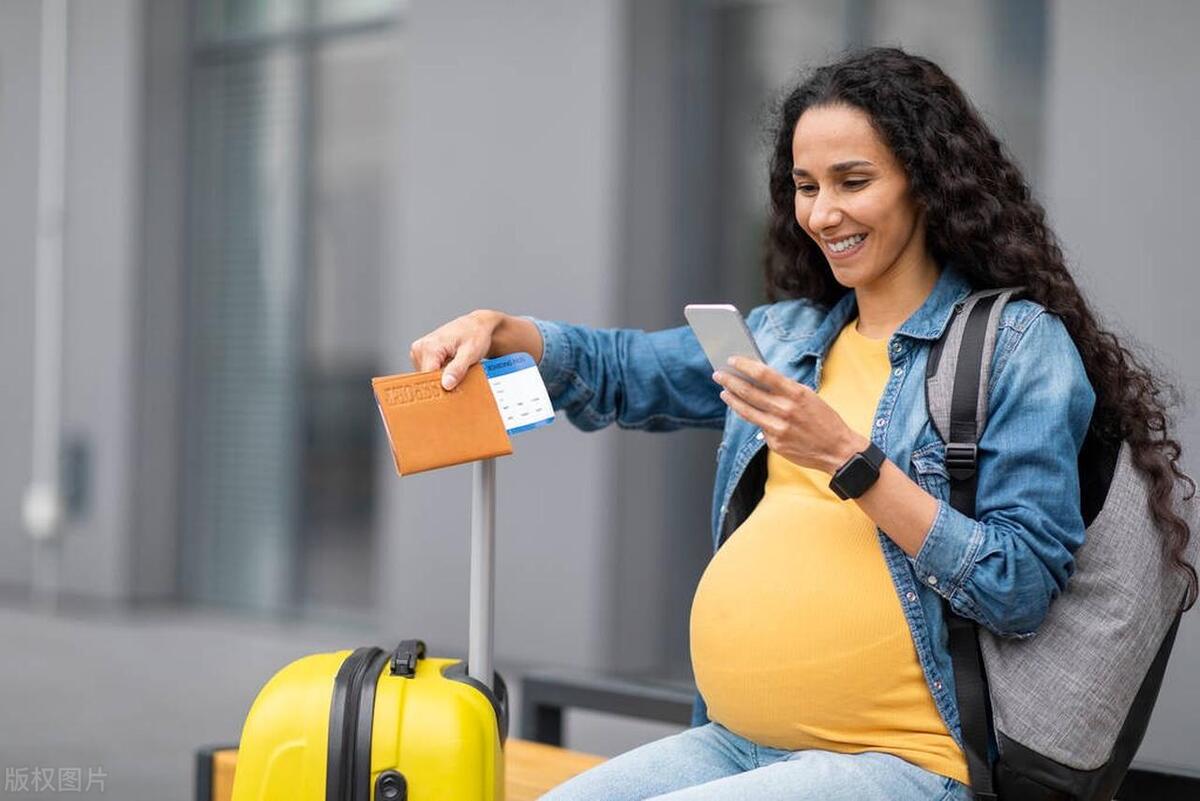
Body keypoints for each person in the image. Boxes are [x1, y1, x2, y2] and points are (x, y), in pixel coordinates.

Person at [409, 47, 1197, 801]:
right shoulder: (789, 338)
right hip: (731, 739)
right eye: (805, 184)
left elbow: (1018, 586)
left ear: (926, 184)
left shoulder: (1016, 347)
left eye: (853, 181)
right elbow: (625, 372)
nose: (824, 213)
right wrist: (508, 331)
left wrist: (851, 459)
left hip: (905, 761)